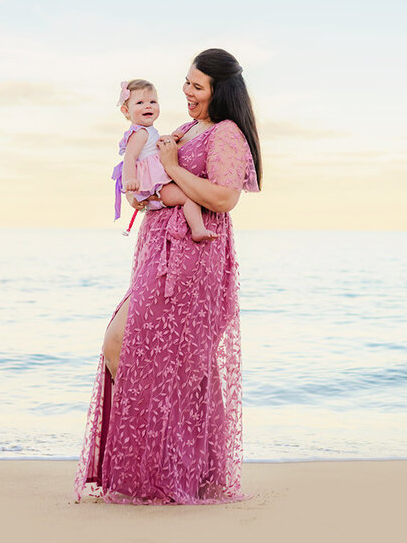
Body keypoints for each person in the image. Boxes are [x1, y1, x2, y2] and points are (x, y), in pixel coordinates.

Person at [74, 48, 262, 505]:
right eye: (186, 82)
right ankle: (163, 466)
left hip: (193, 261)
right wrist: (140, 193)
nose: (187, 92)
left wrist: (174, 169)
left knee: (145, 350)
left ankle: (173, 468)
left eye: (197, 86)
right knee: (139, 351)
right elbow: (150, 178)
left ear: (220, 91)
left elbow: (223, 198)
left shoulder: (227, 134)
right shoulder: (182, 129)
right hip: (156, 253)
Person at [112, 79, 217, 242]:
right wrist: (130, 180)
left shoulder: (147, 131)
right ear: (126, 111)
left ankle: (197, 228)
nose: (148, 106)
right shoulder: (139, 133)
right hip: (157, 187)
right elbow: (129, 158)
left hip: (157, 187)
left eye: (153, 101)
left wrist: (171, 139)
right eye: (140, 102)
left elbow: (153, 150)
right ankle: (198, 229)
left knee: (187, 196)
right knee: (189, 197)